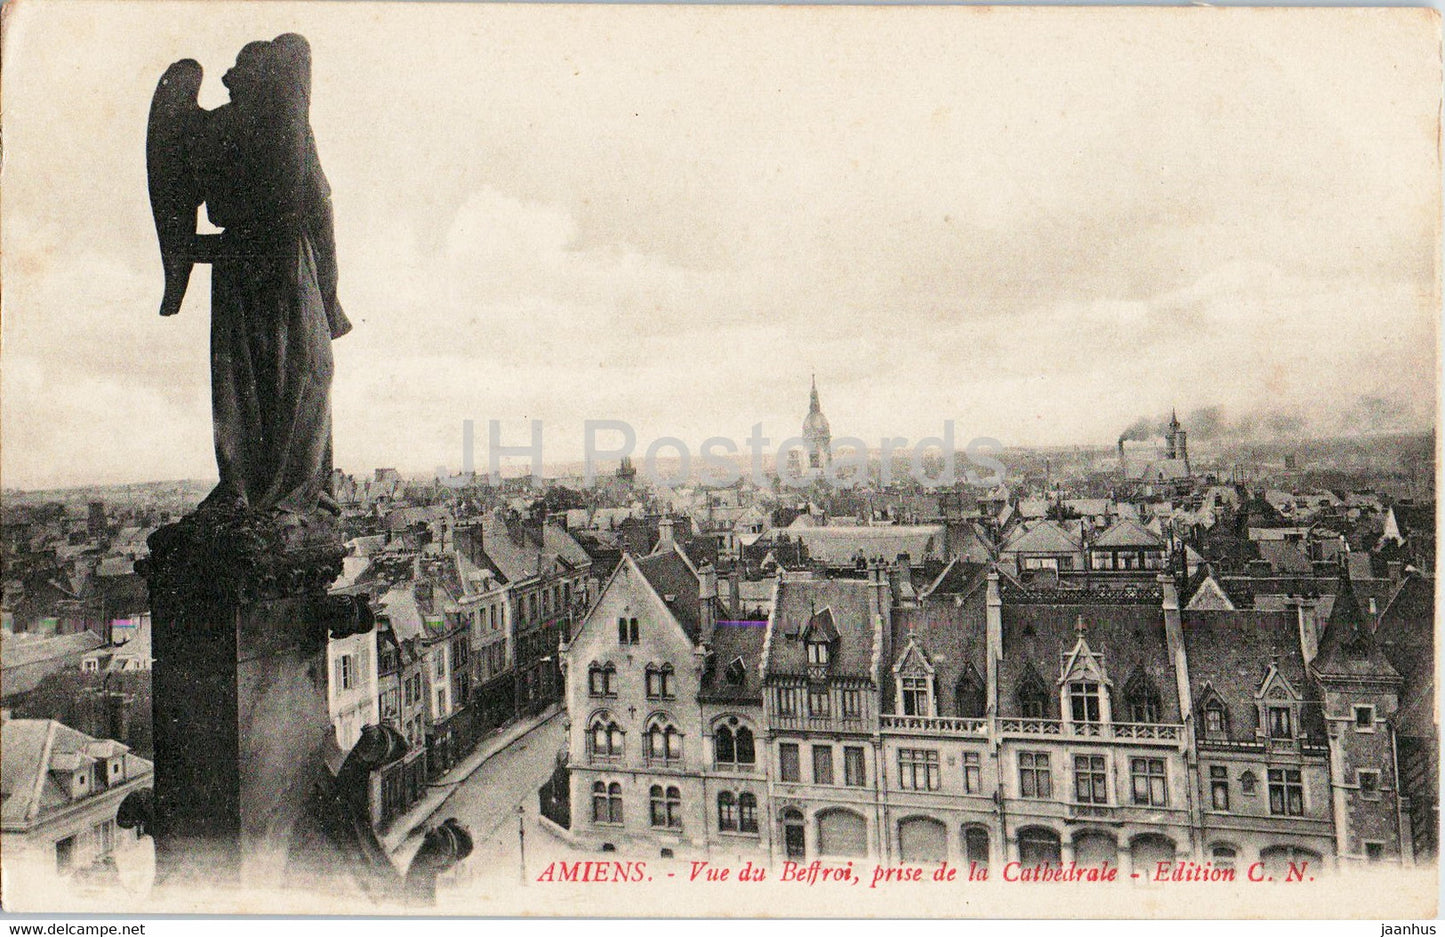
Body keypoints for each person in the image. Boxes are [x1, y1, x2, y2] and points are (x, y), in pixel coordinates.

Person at [152, 33, 349, 518]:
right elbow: (319, 204)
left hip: (236, 264)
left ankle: (242, 484)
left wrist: (188, 256)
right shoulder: (289, 126)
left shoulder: (209, 129)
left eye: (238, 70)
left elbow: (180, 211)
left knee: (243, 375)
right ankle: (296, 491)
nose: (225, 77)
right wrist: (330, 292)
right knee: (303, 371)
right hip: (286, 262)